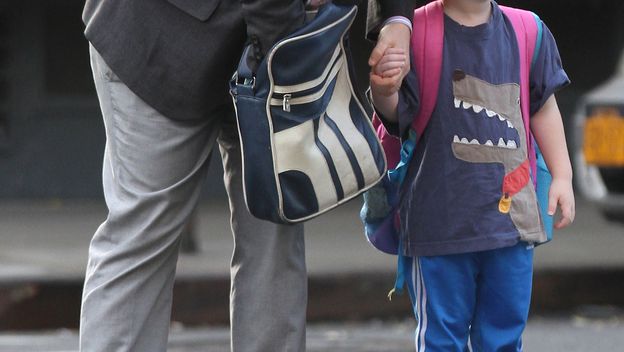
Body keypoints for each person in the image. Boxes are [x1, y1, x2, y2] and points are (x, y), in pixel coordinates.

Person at [79, 0, 411, 351]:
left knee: (277, 230)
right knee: (143, 232)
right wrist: (288, 59)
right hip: (162, 31)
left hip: (281, 33)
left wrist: (396, 18)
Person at [370, 0, 575, 350]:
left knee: (504, 338)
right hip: (438, 228)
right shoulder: (415, 31)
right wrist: (384, 89)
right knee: (440, 340)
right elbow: (394, 117)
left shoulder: (528, 30)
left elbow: (542, 105)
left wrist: (562, 176)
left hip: (512, 227)